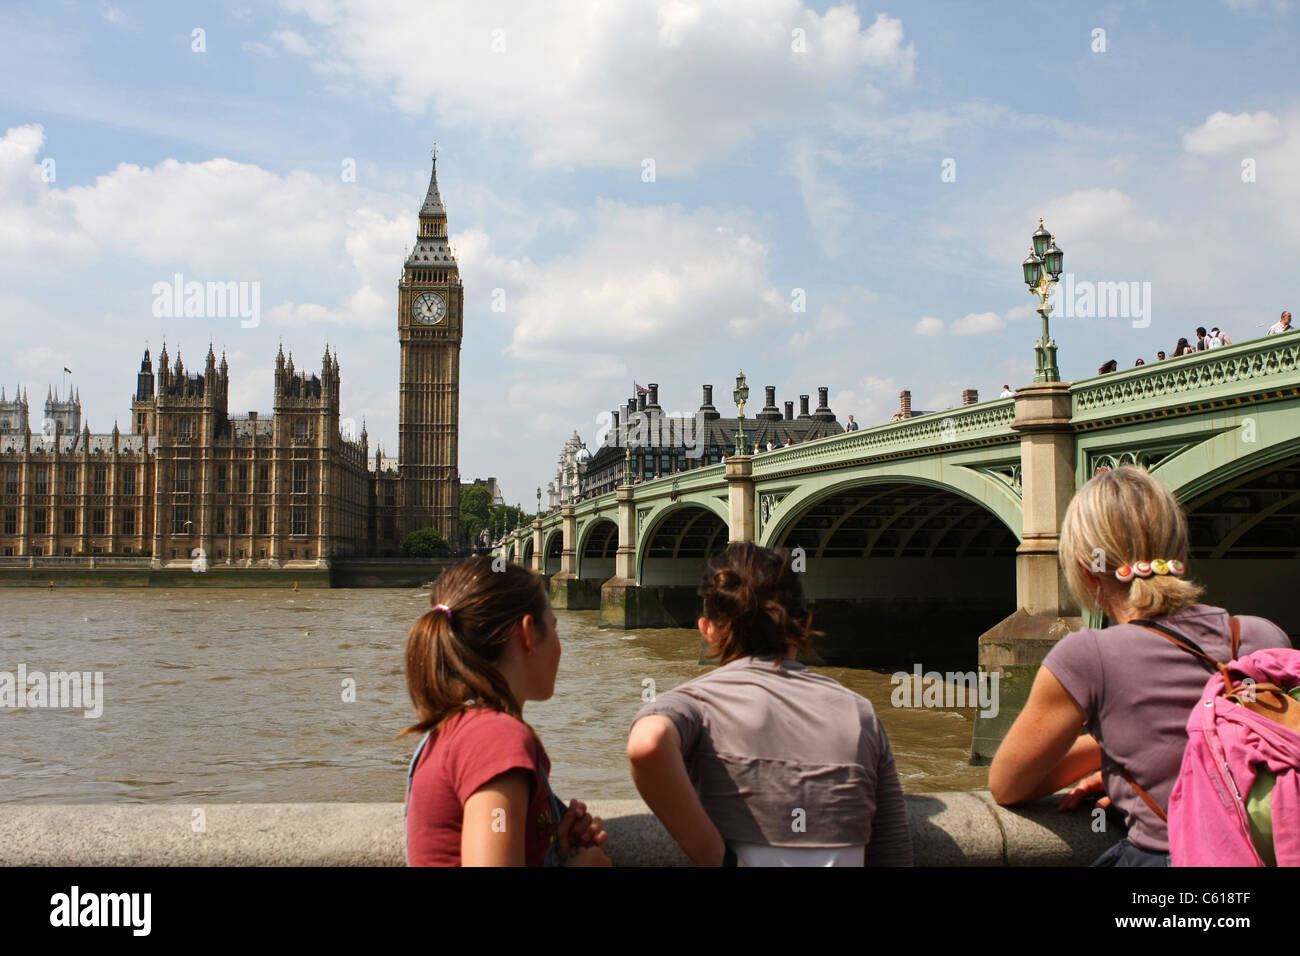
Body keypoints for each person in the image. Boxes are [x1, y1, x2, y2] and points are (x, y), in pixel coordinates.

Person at [988, 466, 1291, 866]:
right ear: (1180, 552)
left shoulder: (1086, 657)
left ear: (1083, 569)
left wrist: (1115, 753)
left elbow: (1008, 785)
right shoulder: (1262, 637)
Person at [626, 542, 913, 867]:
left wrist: (718, 857)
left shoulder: (696, 703)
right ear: (804, 624)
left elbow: (647, 745)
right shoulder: (860, 713)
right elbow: (893, 851)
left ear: (707, 630)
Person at [403, 557, 610, 866]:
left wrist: (550, 846)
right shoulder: (496, 738)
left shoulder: (459, 728)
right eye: (553, 626)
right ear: (528, 633)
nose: (559, 644)